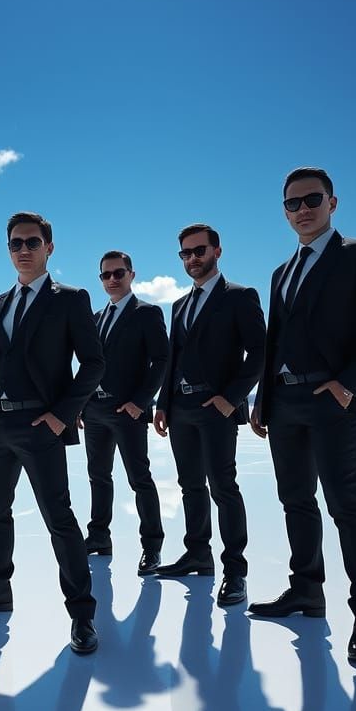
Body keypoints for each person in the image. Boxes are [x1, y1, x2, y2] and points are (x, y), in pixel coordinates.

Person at [249, 167, 356, 662]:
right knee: (295, 501)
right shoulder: (282, 272)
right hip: (285, 402)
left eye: (311, 199)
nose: (302, 210)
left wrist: (347, 385)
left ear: (333, 202)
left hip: (332, 400)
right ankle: (307, 591)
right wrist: (262, 397)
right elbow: (275, 342)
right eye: (292, 204)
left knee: (346, 505)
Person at [0, 212, 105, 655]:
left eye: (31, 243)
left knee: (60, 520)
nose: (23, 250)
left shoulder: (70, 300)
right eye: (15, 243)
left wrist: (61, 415)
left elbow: (94, 364)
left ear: (49, 248)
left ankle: (82, 614)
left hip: (40, 426)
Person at [153, 224, 265, 606]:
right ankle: (197, 554)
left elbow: (260, 352)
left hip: (215, 408)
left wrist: (230, 398)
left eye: (199, 251)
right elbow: (174, 358)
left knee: (223, 487)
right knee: (190, 485)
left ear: (217, 251)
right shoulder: (180, 306)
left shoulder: (239, 296)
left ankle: (235, 570)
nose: (192, 259)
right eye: (185, 253)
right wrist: (163, 403)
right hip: (181, 409)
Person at [79, 250, 168, 573]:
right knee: (98, 477)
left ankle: (152, 547)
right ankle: (99, 537)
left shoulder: (147, 313)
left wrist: (141, 402)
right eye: (106, 275)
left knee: (139, 478)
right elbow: (87, 365)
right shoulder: (95, 318)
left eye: (119, 273)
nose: (112, 279)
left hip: (127, 411)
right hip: (94, 411)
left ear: (132, 275)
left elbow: (161, 360)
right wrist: (80, 403)